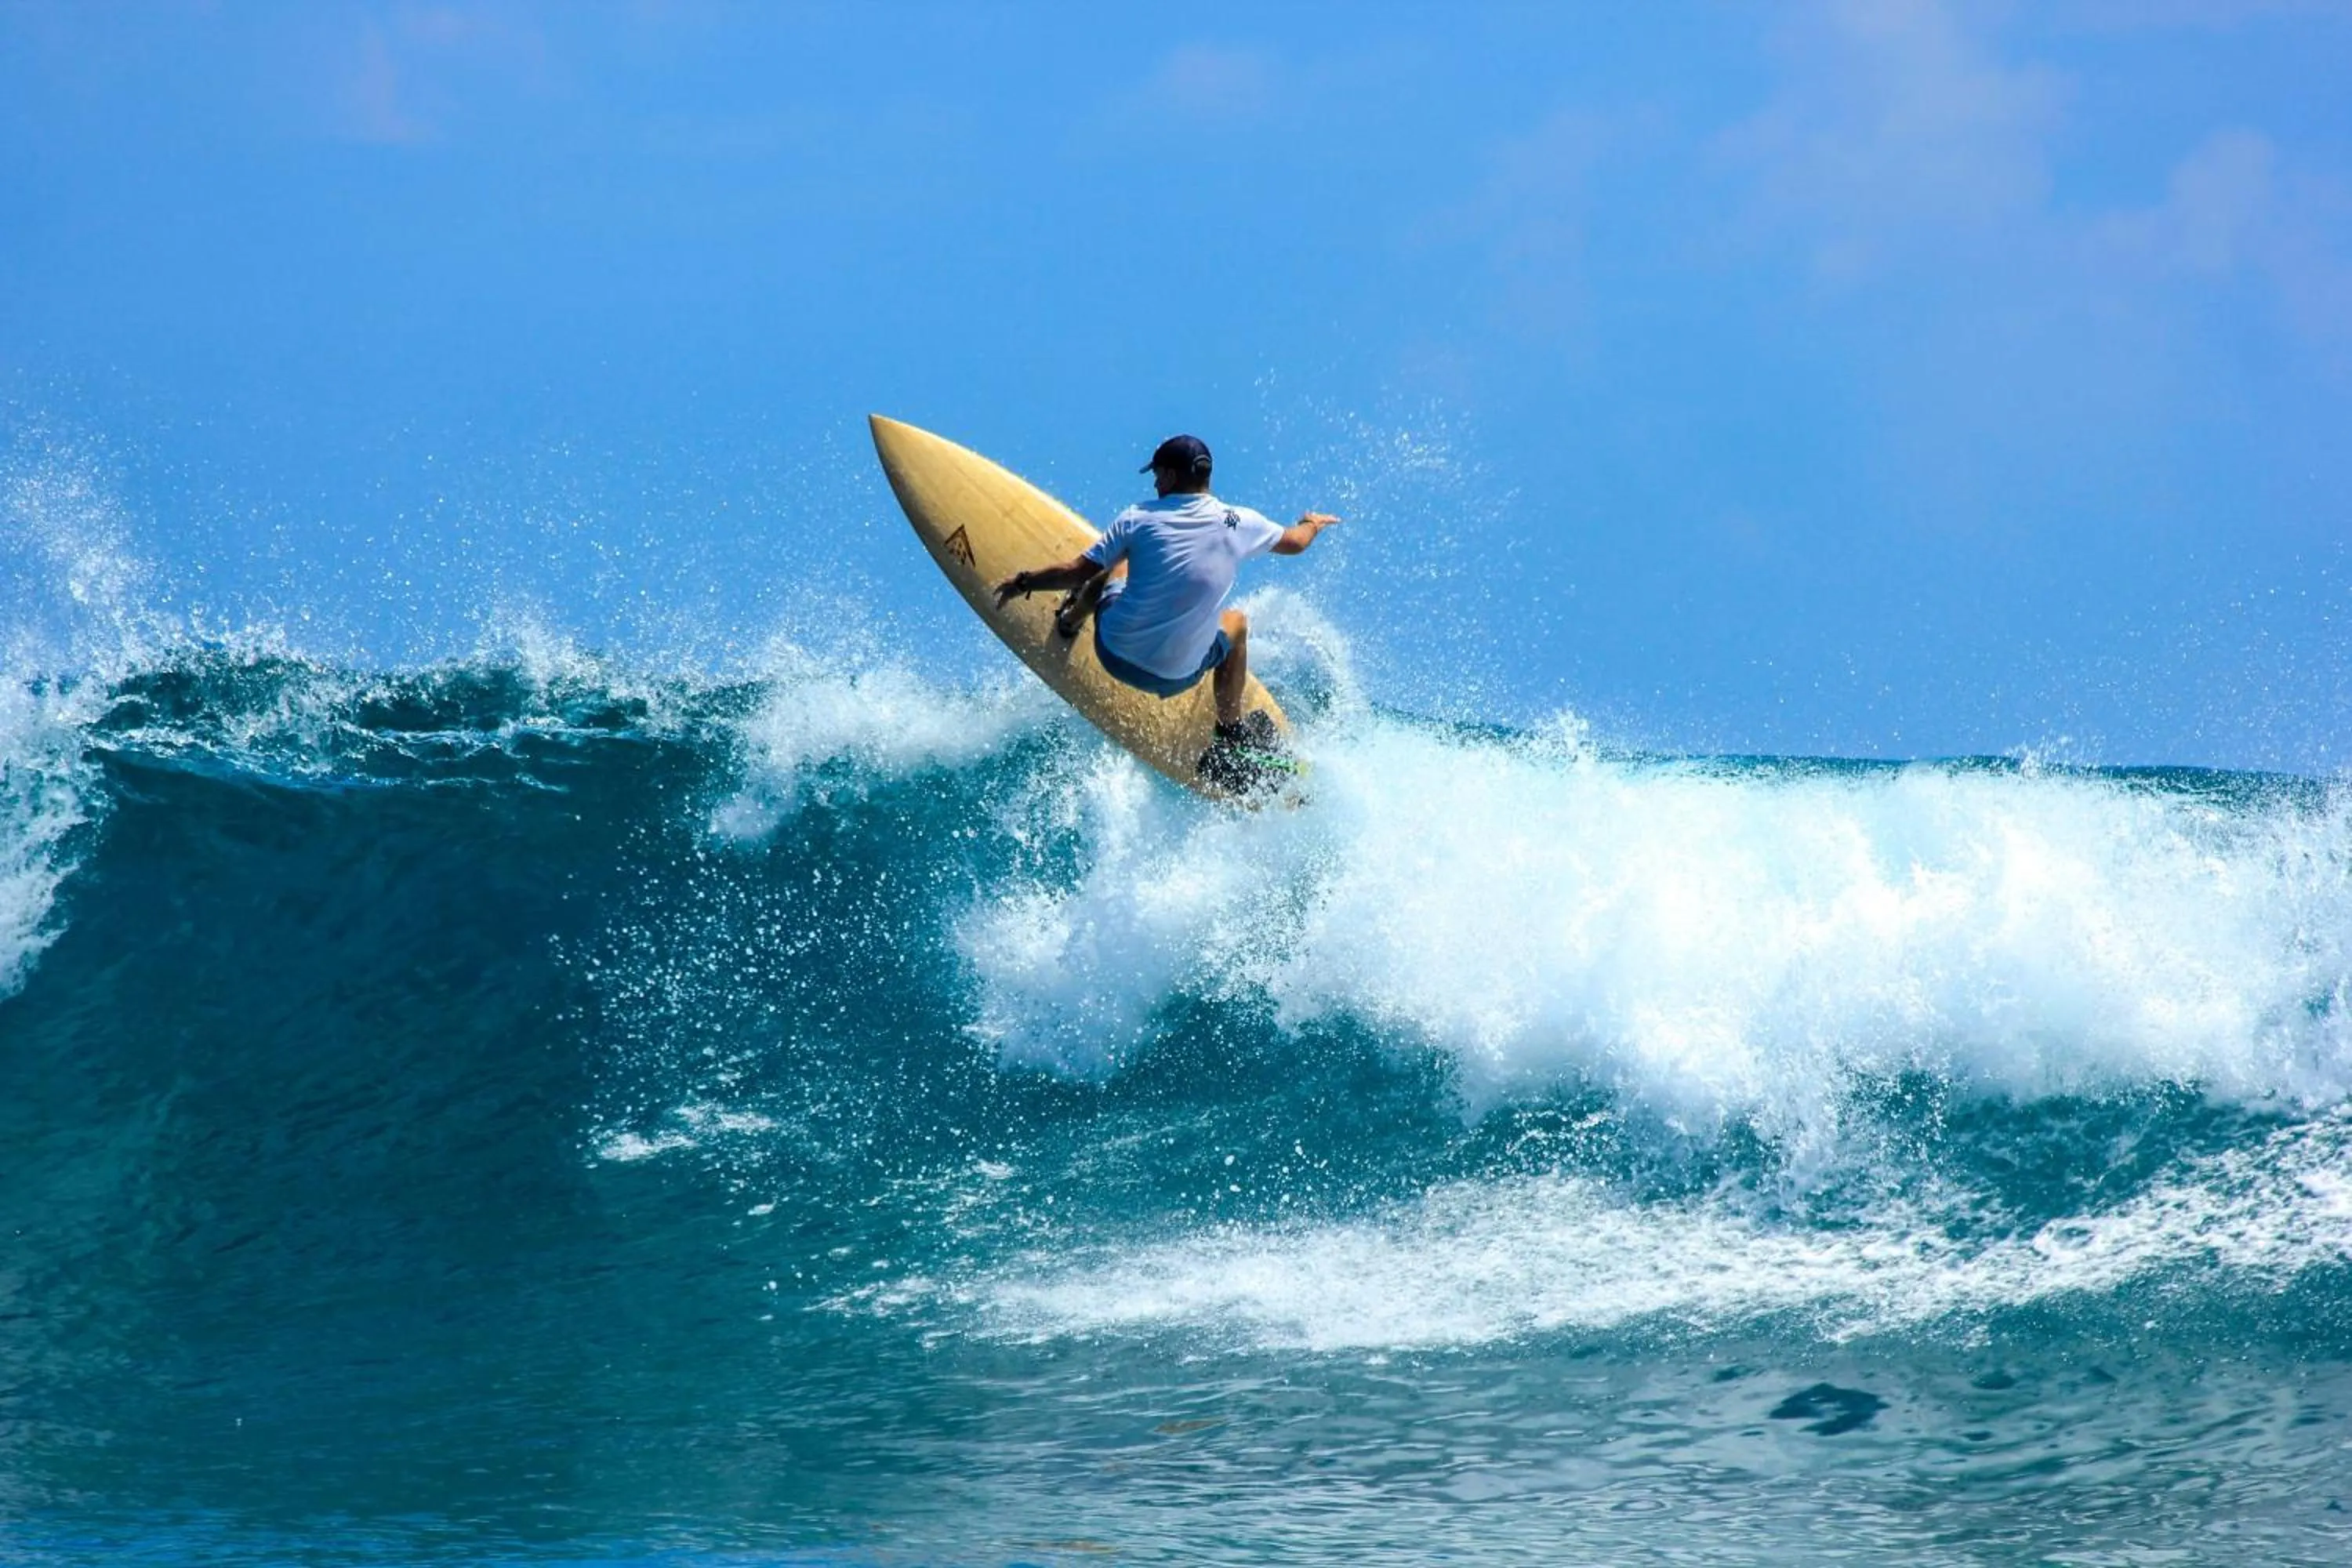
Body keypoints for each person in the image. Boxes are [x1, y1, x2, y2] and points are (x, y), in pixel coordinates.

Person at [993, 434, 1338, 760]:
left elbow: (1076, 571)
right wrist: (1312, 523)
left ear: (1172, 475)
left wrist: (1024, 582)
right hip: (1177, 678)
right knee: (1236, 624)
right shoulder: (1239, 521)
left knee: (1117, 562)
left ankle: (1069, 621)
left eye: (1158, 475)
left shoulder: (1139, 518)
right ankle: (1231, 733)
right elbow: (1296, 543)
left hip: (1113, 651)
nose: (1156, 484)